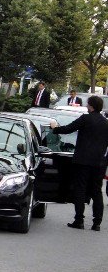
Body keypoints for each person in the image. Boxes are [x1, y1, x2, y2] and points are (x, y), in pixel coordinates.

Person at [50, 95, 108, 231]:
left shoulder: (85, 119)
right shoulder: (106, 123)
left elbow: (69, 128)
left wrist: (55, 128)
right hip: (99, 163)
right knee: (97, 192)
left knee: (80, 189)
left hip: (82, 161)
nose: (87, 106)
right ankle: (97, 223)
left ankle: (79, 220)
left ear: (91, 106)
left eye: (88, 104)